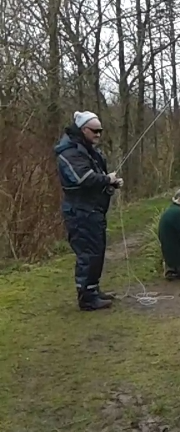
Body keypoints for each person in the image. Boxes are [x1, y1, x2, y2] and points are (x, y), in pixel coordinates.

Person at [54, 111, 123, 311]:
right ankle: (86, 297)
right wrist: (107, 179)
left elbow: (95, 178)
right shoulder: (69, 152)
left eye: (100, 131)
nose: (99, 134)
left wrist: (111, 184)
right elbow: (83, 178)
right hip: (80, 212)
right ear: (84, 129)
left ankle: (93, 289)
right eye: (95, 131)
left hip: (93, 210)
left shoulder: (87, 150)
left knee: (97, 250)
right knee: (88, 253)